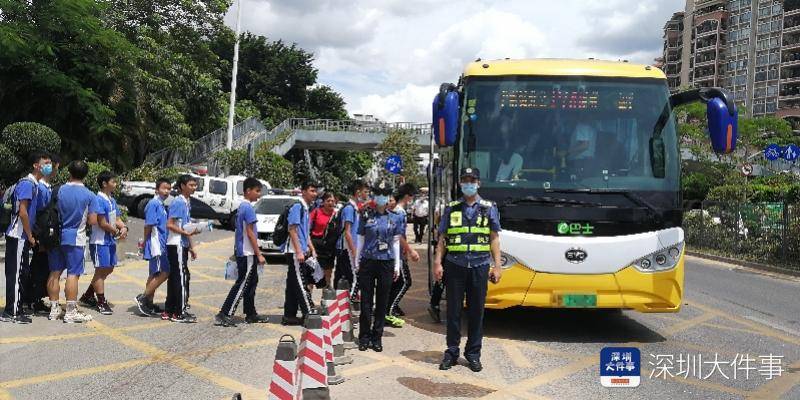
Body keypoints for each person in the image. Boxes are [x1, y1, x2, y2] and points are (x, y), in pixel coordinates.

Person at [434, 167, 502, 372]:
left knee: (476, 312)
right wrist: (438, 263)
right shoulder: (451, 208)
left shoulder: (489, 208)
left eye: (472, 180)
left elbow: (494, 238)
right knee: (453, 312)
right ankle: (452, 352)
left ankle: (473, 354)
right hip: (455, 265)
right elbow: (442, 239)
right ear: (460, 183)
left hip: (480, 266)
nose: (468, 183)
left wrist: (497, 265)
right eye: (465, 180)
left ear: (478, 183)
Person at [355, 182, 404, 352]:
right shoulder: (366, 215)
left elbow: (396, 242)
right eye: (378, 193)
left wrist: (397, 265)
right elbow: (360, 239)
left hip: (387, 262)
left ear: (389, 197)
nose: (382, 197)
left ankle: (377, 337)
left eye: (385, 194)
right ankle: (364, 336)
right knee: (366, 301)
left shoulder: (395, 217)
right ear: (374, 196)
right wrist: (357, 261)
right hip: (368, 261)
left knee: (382, 302)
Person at [47, 160, 97, 323]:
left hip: (55, 236)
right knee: (73, 275)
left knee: (54, 273)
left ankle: (54, 309)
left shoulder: (58, 190)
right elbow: (92, 221)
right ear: (85, 175)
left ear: (69, 172)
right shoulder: (90, 195)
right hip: (76, 238)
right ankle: (70, 311)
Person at [215, 178, 269, 327]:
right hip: (247, 252)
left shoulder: (242, 207)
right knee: (243, 283)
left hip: (244, 251)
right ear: (248, 191)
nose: (259, 194)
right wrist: (259, 254)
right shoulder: (248, 208)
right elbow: (250, 233)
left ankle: (251, 313)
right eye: (257, 191)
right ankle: (225, 313)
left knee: (252, 282)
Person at [2, 152, 49, 323]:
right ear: (36, 165)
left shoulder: (33, 184)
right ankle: (12, 312)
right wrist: (29, 236)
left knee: (21, 272)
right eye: (46, 163)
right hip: (18, 236)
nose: (48, 166)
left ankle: (15, 308)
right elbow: (23, 212)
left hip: (21, 236)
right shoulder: (28, 184)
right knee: (16, 274)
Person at [80, 171, 127, 315]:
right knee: (100, 270)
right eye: (113, 181)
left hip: (110, 240)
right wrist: (114, 231)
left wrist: (123, 227)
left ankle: (88, 295)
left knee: (109, 268)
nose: (116, 184)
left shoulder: (111, 200)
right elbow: (101, 222)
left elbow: (117, 218)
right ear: (104, 184)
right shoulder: (98, 199)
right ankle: (101, 301)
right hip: (99, 241)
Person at [25, 154, 59, 315]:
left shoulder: (46, 187)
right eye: (48, 164)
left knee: (43, 267)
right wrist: (38, 237)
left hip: (45, 235)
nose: (51, 168)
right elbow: (38, 214)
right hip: (41, 235)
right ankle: (31, 299)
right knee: (38, 268)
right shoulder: (40, 188)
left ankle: (37, 298)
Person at [281, 181, 318, 326]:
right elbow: (292, 229)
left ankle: (289, 315)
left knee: (292, 284)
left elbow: (305, 232)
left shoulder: (305, 208)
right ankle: (309, 314)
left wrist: (311, 248)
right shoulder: (298, 206)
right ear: (303, 191)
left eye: (315, 191)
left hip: (300, 251)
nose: (314, 194)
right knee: (301, 283)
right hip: (295, 252)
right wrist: (298, 251)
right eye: (311, 190)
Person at [164, 174, 200, 323]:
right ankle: (179, 312)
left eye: (194, 185)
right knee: (181, 277)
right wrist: (186, 233)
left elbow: (186, 225)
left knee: (175, 277)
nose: (194, 187)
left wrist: (191, 246)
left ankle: (170, 310)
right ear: (182, 186)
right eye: (191, 185)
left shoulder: (186, 202)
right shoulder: (178, 202)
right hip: (176, 244)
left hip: (181, 244)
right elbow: (170, 224)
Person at [134, 178, 172, 316]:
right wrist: (145, 241)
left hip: (161, 243)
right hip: (156, 244)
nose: (167, 191)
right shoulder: (153, 204)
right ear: (156, 189)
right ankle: (143, 298)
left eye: (169, 189)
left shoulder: (161, 205)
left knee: (155, 273)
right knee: (165, 271)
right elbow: (148, 225)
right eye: (164, 188)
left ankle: (149, 302)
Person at [386, 183, 420, 327]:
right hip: (397, 254)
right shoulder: (399, 212)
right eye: (412, 196)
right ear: (407, 196)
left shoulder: (399, 211)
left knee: (396, 282)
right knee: (405, 282)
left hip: (398, 252)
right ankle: (389, 311)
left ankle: (390, 307)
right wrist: (410, 250)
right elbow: (398, 235)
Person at [334, 180, 369, 297]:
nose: (366, 194)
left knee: (344, 278)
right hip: (347, 249)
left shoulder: (354, 208)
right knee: (354, 278)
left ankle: (342, 306)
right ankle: (350, 304)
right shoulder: (349, 209)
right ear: (358, 192)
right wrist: (354, 251)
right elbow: (347, 232)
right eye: (365, 191)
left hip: (349, 248)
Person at [309, 192, 338, 288]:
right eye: (328, 201)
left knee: (327, 273)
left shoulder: (336, 215)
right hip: (315, 244)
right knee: (311, 273)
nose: (330, 203)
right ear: (323, 202)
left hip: (329, 247)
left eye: (332, 201)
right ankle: (308, 298)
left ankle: (325, 297)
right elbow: (307, 229)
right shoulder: (316, 212)